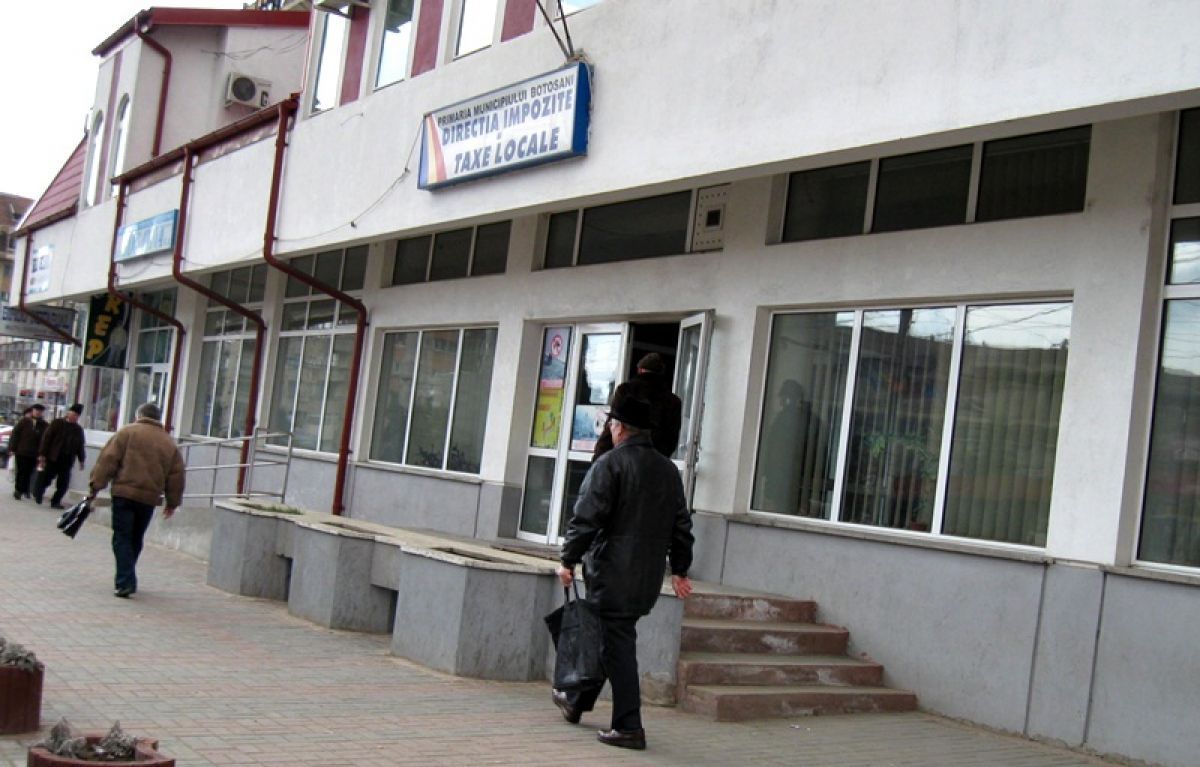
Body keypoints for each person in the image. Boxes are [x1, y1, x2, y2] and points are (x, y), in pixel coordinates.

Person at [554, 383, 694, 751]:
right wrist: (680, 570)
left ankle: (629, 726)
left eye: (612, 424)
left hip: (611, 574)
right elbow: (681, 525)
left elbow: (586, 518)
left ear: (619, 428)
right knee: (611, 640)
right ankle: (575, 701)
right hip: (645, 578)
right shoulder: (668, 471)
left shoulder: (610, 464)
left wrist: (568, 559)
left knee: (617, 647)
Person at [89, 402, 186, 599]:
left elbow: (107, 460)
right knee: (135, 537)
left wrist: (95, 487)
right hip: (148, 498)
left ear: (139, 415)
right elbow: (176, 475)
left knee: (122, 537)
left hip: (123, 494)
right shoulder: (168, 442)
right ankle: (128, 575)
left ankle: (125, 581)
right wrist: (172, 502)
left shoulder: (126, 433)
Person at [592, 353, 683, 461]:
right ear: (661, 373)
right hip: (653, 461)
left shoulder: (626, 390)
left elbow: (611, 428)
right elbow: (671, 439)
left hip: (621, 457)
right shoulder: (673, 401)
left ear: (640, 370)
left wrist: (599, 457)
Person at [35, 403, 87, 509]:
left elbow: (80, 446)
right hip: (53, 457)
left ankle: (55, 501)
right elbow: (47, 439)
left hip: (67, 459)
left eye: (76, 416)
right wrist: (42, 454)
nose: (74, 417)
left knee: (64, 483)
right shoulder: (57, 423)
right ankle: (39, 493)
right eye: (73, 414)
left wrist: (81, 460)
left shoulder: (78, 429)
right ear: (68, 413)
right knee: (46, 478)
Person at [8, 404, 47, 501]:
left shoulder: (44, 425)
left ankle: (25, 490)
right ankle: (18, 490)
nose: (38, 412)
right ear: (32, 411)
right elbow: (15, 434)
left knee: (29, 472)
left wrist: (42, 453)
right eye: (36, 410)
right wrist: (12, 448)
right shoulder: (24, 421)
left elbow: (46, 439)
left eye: (40, 411)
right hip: (21, 451)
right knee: (21, 471)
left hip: (35, 453)